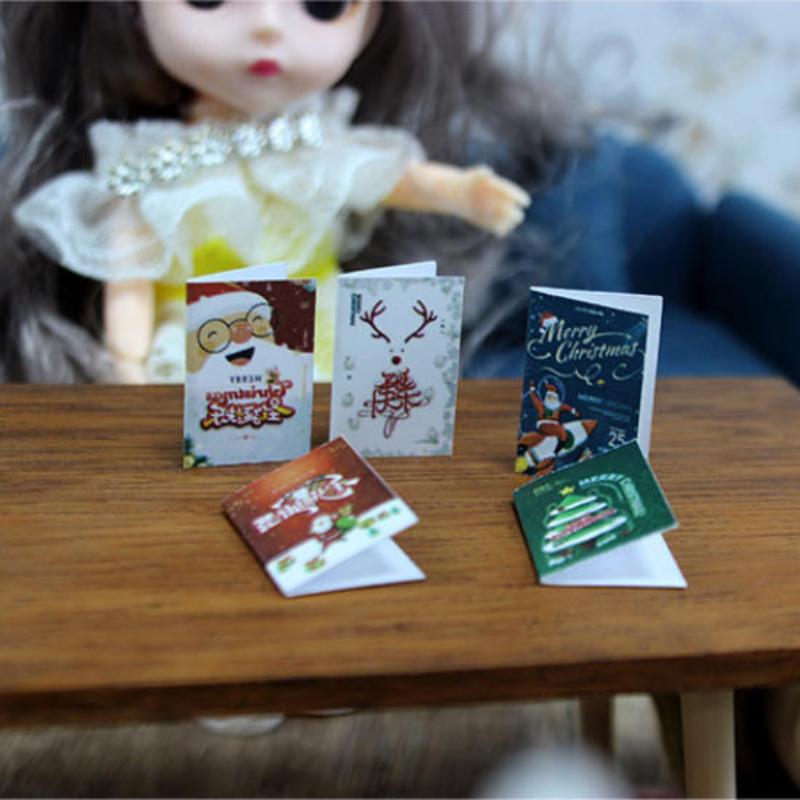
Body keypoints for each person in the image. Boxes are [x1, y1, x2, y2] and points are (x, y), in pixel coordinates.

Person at [0, 1, 580, 384]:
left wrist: (459, 191)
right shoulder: (149, 159)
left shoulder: (317, 142)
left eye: (323, 5)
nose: (268, 26)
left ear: (374, 19)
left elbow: (385, 175)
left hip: (324, 343)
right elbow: (128, 273)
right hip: (207, 351)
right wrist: (125, 363)